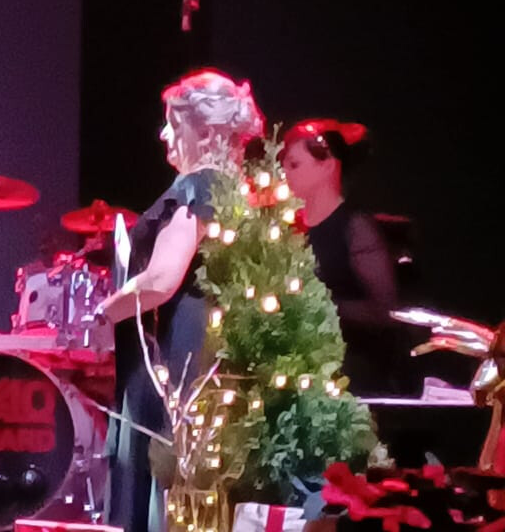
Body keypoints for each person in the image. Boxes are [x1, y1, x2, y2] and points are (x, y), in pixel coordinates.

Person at [95, 70, 262, 532]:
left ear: (204, 132)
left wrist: (102, 314)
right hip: (211, 357)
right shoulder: (241, 192)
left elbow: (162, 280)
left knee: (164, 487)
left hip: (176, 357)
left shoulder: (198, 187)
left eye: (173, 123)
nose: (163, 135)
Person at [282, 118, 401, 393]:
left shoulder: (355, 227)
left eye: (294, 164)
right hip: (297, 367)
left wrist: (318, 303)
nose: (285, 173)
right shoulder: (287, 228)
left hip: (351, 369)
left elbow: (384, 310)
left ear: (327, 165)